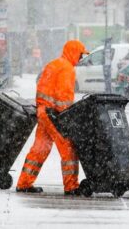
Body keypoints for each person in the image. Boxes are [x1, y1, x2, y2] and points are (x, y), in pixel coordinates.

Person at [16, 40, 89, 195]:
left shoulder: (54, 64)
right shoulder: (67, 69)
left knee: (39, 149)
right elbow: (63, 97)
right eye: (80, 55)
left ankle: (24, 183)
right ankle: (71, 187)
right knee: (68, 148)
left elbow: (42, 86)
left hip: (43, 112)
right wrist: (67, 116)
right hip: (54, 114)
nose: (81, 58)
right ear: (74, 52)